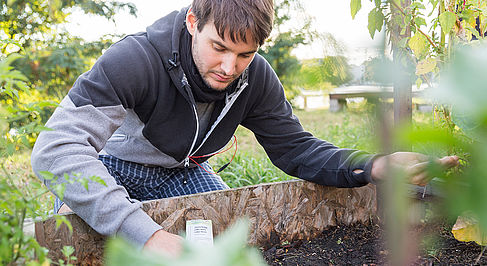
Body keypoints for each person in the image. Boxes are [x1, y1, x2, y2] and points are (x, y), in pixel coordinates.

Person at [31, 0, 458, 257]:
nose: (228, 68)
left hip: (181, 172)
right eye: (219, 47)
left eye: (244, 54)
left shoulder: (256, 78)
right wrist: (147, 235)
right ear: (194, 22)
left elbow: (296, 149)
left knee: (230, 245)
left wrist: (375, 165)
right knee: (75, 245)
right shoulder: (135, 60)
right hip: (114, 167)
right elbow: (56, 149)